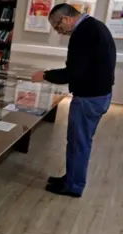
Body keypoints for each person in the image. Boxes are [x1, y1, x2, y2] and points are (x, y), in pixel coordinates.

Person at [31, 4, 116, 198]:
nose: (59, 32)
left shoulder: (84, 33)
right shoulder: (94, 27)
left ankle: (73, 186)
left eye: (58, 26)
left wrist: (44, 75)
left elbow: (74, 72)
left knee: (79, 143)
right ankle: (71, 178)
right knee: (78, 141)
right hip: (97, 95)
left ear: (67, 18)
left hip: (89, 98)